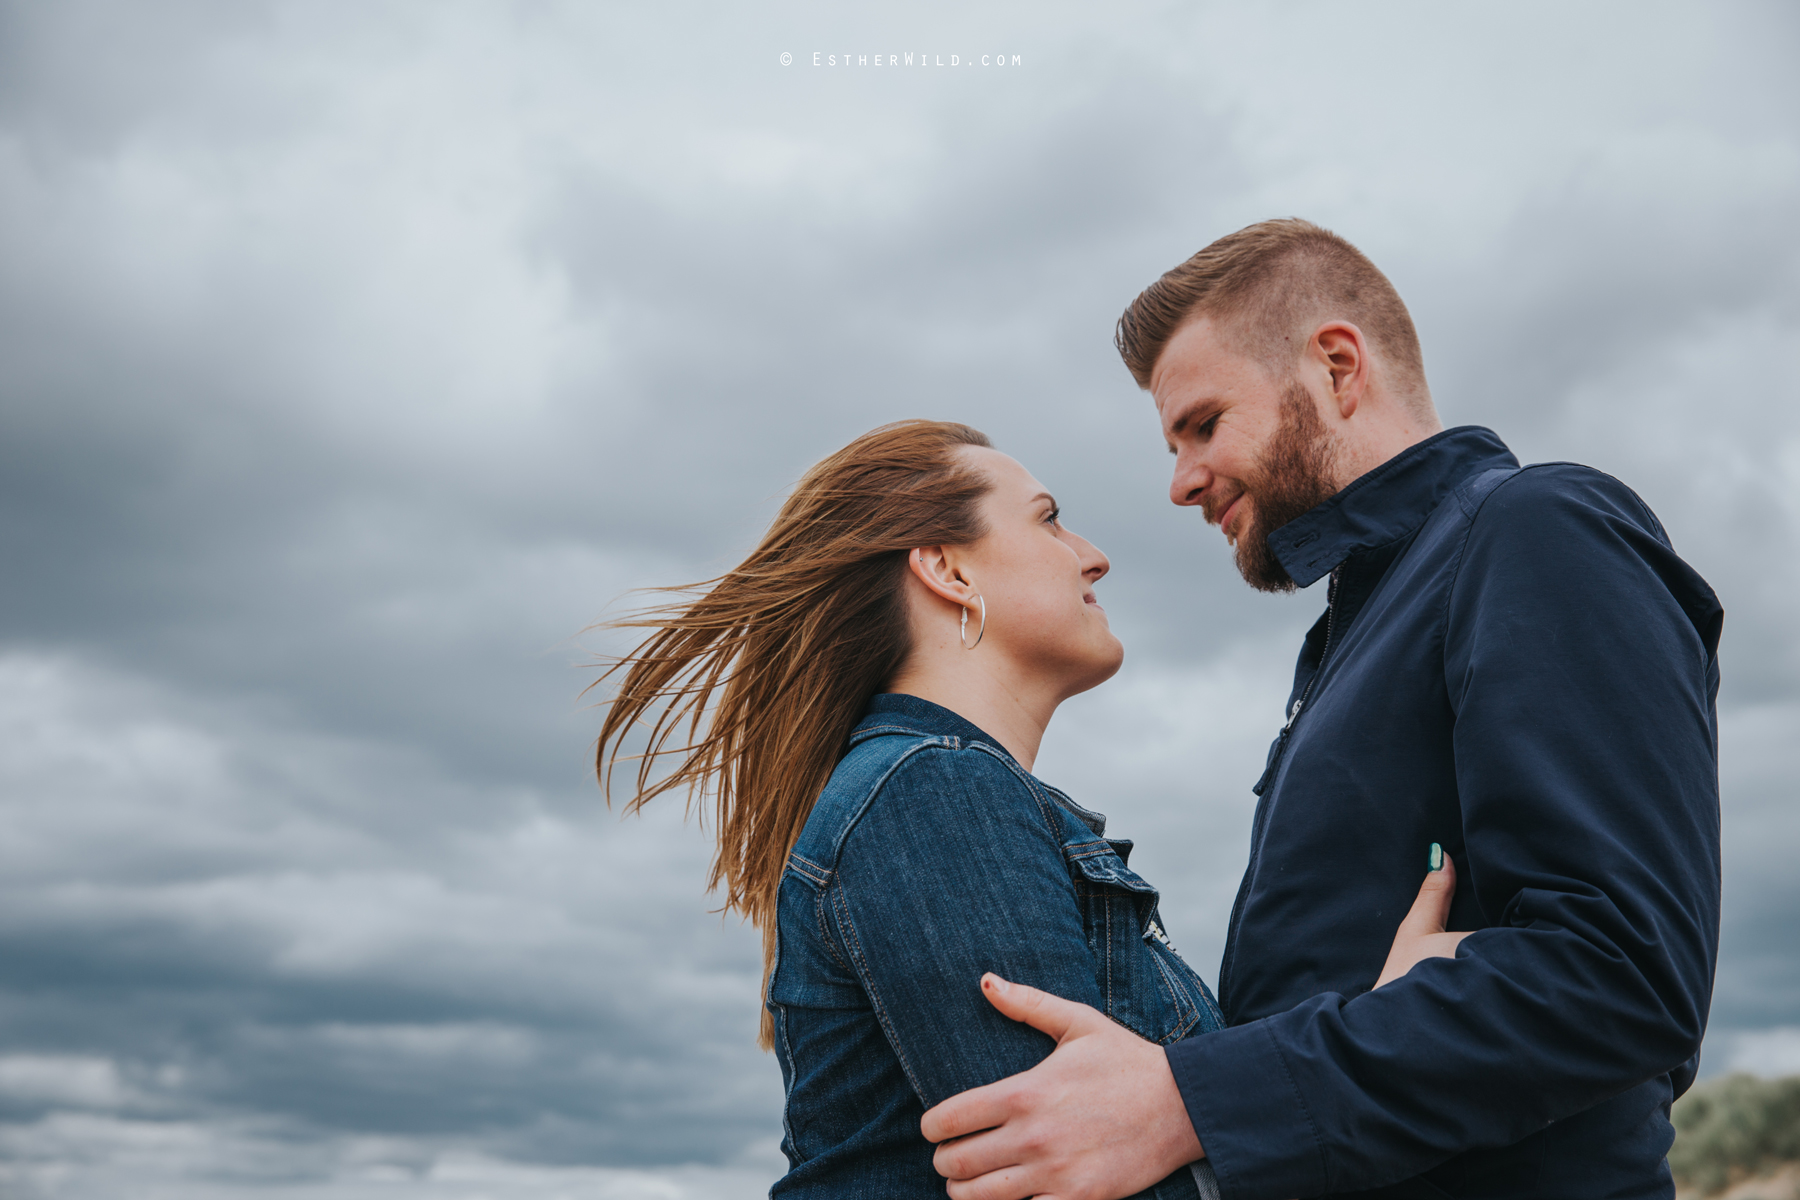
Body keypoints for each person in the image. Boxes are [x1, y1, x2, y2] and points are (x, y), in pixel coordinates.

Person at [921, 219, 1725, 1200]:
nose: (1179, 483)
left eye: (1205, 425)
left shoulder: (1536, 529)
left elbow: (1626, 977)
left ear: (1338, 368)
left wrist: (1185, 1101)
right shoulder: (1348, 642)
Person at [594, 419, 1468, 1199]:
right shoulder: (934, 792)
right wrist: (1386, 1040)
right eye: (1049, 517)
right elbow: (1096, 1182)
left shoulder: (940, 792)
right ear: (944, 567)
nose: (1093, 554)